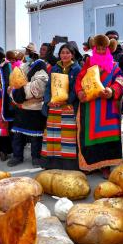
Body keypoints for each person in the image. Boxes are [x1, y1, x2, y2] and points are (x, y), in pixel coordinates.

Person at [76, 34, 123, 176]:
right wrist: (80, 91)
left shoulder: (114, 66)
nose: (100, 51)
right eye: (97, 49)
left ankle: (106, 165)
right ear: (94, 49)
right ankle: (91, 164)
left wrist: (112, 90)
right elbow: (80, 79)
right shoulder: (88, 64)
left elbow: (122, 81)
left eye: (103, 49)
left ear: (108, 49)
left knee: (108, 135)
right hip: (90, 107)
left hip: (108, 107)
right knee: (90, 135)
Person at [41, 42, 82, 170]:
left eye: (67, 53)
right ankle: (51, 163)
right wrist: (48, 100)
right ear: (59, 55)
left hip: (68, 107)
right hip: (54, 106)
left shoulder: (77, 69)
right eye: (62, 53)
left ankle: (68, 165)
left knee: (67, 137)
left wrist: (66, 101)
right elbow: (48, 86)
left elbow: (76, 89)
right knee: (53, 135)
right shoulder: (54, 68)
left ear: (72, 55)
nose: (65, 55)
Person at [9, 52, 49, 167]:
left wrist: (19, 90)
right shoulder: (23, 67)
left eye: (32, 55)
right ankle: (17, 156)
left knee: (36, 137)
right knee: (18, 135)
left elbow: (38, 89)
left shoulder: (41, 71)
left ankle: (36, 157)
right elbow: (13, 84)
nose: (29, 58)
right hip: (21, 108)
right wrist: (17, 90)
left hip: (35, 109)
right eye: (28, 55)